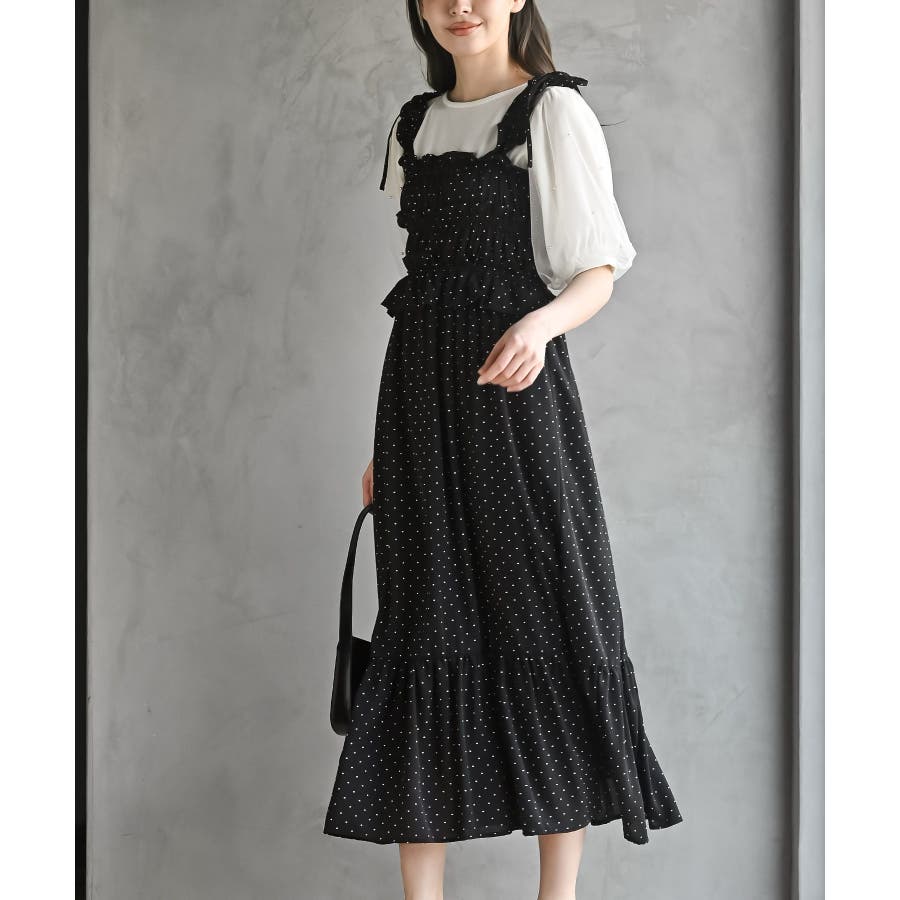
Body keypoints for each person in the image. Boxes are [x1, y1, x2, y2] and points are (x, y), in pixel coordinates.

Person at [324, 2, 683, 897]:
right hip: (417, 407)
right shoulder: (414, 123)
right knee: (423, 624)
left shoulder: (552, 111)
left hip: (514, 402)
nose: (461, 5)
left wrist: (538, 325)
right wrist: (386, 446)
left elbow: (596, 270)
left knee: (544, 621)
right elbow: (423, 291)